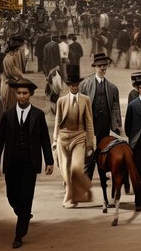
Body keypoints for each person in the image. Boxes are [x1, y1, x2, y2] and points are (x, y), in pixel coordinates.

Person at [0, 78, 54, 249]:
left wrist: (49, 161)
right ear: (15, 94)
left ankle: (19, 235)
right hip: (11, 162)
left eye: (25, 93)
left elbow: (44, 141)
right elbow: (0, 141)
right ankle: (24, 214)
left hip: (29, 163)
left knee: (26, 197)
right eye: (19, 93)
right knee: (11, 196)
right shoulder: (7, 115)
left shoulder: (38, 115)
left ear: (30, 95)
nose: (22, 96)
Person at [52, 65, 94, 208]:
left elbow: (89, 122)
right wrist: (55, 140)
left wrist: (90, 144)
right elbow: (57, 121)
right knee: (65, 169)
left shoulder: (85, 100)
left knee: (76, 169)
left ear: (79, 85)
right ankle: (70, 195)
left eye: (76, 84)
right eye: (71, 84)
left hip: (79, 137)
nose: (74, 87)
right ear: (68, 85)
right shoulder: (61, 101)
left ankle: (70, 195)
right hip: (63, 138)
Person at [78, 52, 122, 180]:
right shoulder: (85, 85)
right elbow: (80, 106)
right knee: (90, 148)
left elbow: (115, 108)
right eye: (100, 66)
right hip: (90, 122)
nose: (102, 68)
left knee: (103, 147)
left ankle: (103, 173)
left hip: (104, 122)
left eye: (104, 66)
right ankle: (87, 176)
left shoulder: (112, 88)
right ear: (95, 67)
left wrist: (116, 125)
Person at [2, 37, 25, 110]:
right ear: (15, 50)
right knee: (12, 102)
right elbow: (13, 71)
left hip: (9, 81)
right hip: (12, 82)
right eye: (17, 50)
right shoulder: (10, 58)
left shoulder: (7, 57)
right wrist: (20, 75)